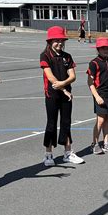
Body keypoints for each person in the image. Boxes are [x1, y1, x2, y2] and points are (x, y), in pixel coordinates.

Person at [40, 26, 84, 166]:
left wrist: (64, 85)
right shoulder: (45, 55)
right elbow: (50, 77)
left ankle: (68, 153)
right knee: (51, 123)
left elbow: (72, 76)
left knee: (66, 122)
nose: (59, 43)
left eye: (61, 40)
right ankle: (48, 154)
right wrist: (63, 89)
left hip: (66, 94)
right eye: (56, 41)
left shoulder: (67, 56)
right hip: (52, 94)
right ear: (50, 41)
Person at [87, 37, 108, 155]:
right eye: (103, 48)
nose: (106, 50)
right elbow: (90, 82)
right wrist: (96, 96)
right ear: (98, 49)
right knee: (100, 120)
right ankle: (95, 143)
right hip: (100, 94)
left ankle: (106, 142)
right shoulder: (94, 63)